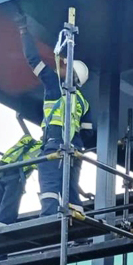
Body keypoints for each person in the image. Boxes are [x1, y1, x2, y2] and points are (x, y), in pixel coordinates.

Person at [15, 11, 90, 217]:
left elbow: (33, 60)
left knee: (49, 183)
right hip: (76, 149)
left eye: (66, 66)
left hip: (55, 144)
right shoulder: (82, 101)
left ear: (72, 74)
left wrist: (23, 31)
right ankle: (78, 233)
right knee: (71, 191)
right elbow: (88, 131)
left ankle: (49, 222)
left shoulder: (55, 86)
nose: (61, 68)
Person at [0, 133, 42, 227]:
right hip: (15, 175)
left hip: (0, 172)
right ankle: (2, 227)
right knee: (9, 205)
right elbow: (42, 166)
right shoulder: (41, 148)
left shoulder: (26, 141)